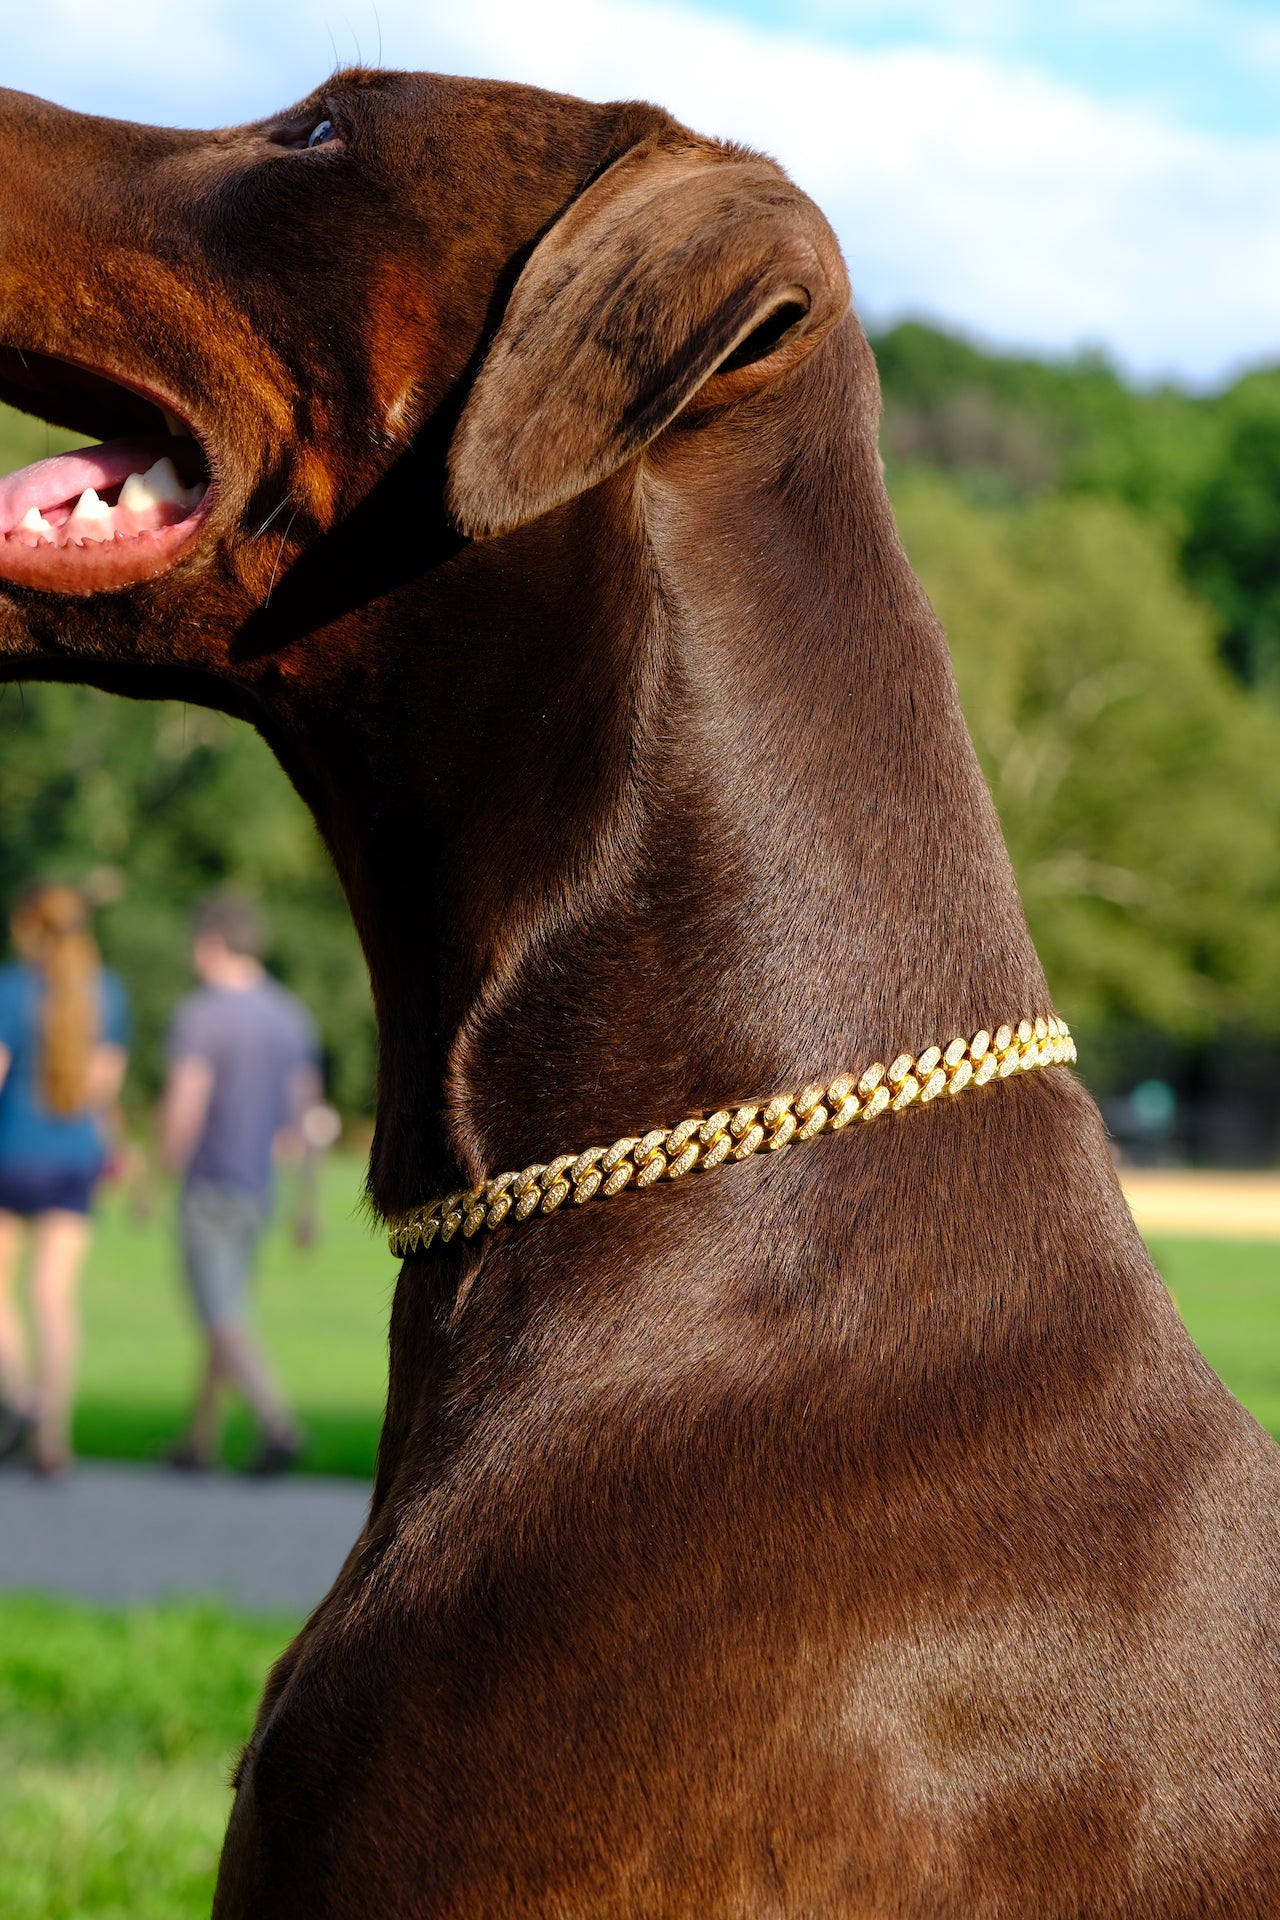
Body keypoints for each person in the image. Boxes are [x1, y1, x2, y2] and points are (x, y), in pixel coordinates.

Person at [160, 890, 319, 1476]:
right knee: (223, 1310)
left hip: (208, 1184)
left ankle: (278, 1423)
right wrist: (308, 1204)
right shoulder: (289, 1015)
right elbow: (306, 1116)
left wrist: (158, 1174)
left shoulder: (200, 1015)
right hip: (260, 1189)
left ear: (211, 943)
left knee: (221, 1313)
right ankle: (198, 1441)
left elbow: (186, 1106)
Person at [0, 882, 130, 1476]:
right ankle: (54, 1439)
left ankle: (22, 1399)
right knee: (54, 1298)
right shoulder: (106, 993)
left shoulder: (11, 989)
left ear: (29, 928)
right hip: (75, 1158)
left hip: (12, 1155)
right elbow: (104, 1088)